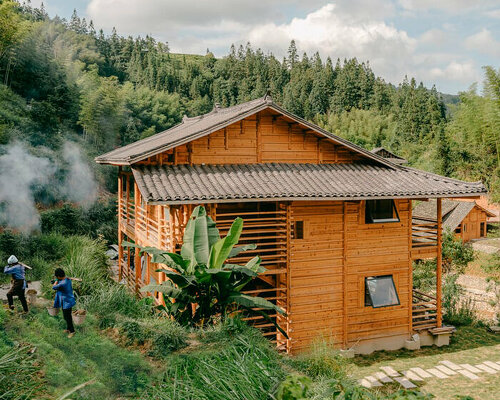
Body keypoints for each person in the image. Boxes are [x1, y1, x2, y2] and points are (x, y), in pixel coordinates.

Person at [52, 268, 76, 338]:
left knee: (68, 317)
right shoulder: (67, 279)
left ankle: (72, 331)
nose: (56, 278)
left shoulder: (62, 283)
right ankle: (68, 329)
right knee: (66, 316)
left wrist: (56, 281)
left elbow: (54, 287)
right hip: (67, 300)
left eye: (57, 277)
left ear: (59, 276)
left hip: (67, 302)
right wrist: (57, 280)